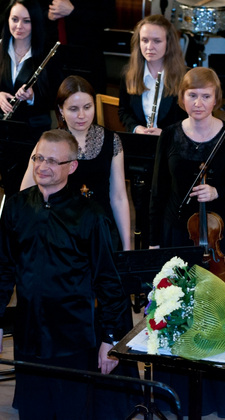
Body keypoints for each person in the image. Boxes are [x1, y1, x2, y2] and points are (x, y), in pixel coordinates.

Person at [0, 129, 128, 420]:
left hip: (72, 338)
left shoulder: (91, 215)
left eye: (52, 161)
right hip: (28, 333)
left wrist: (110, 337)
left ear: (71, 167)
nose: (42, 166)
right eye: (38, 158)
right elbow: (3, 267)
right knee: (33, 412)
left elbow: (108, 280)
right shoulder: (15, 206)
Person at [148, 67, 225, 417]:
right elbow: (157, 191)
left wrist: (218, 191)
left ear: (216, 98)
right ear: (181, 99)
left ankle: (220, 394)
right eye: (192, 95)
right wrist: (153, 241)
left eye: (206, 96)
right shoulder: (169, 134)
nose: (198, 102)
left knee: (218, 312)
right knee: (177, 311)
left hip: (218, 238)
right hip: (176, 235)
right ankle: (176, 390)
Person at [21, 75, 131, 250]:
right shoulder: (48, 144)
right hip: (62, 235)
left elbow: (118, 197)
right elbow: (26, 193)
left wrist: (126, 246)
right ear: (61, 110)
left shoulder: (112, 141)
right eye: (73, 109)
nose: (82, 115)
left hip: (102, 230)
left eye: (87, 107)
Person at [118, 14, 187, 249]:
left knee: (164, 212)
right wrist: (136, 128)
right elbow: (124, 111)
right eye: (144, 40)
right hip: (141, 154)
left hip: (171, 155)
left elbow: (188, 119)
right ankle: (142, 253)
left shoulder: (182, 78)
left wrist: (165, 133)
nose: (149, 47)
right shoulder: (129, 74)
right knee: (141, 208)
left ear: (169, 44)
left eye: (157, 41)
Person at [0, 0, 59, 196]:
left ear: (35, 23)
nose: (19, 26)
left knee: (29, 189)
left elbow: (53, 97)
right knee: (10, 186)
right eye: (14, 19)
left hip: (33, 131)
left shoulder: (46, 53)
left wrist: (32, 96)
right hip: (3, 129)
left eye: (26, 21)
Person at [39, 0, 115, 94]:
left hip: (88, 56)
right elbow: (34, 11)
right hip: (51, 54)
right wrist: (47, 15)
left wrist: (73, 11)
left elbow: (109, 18)